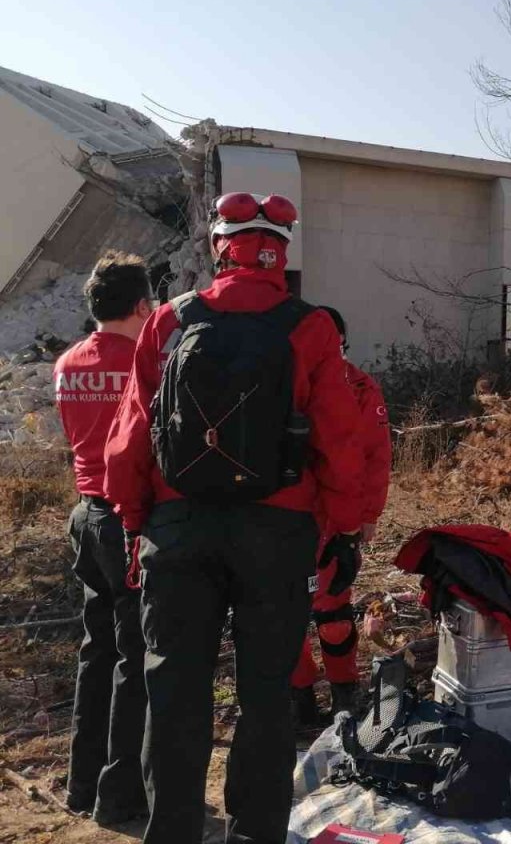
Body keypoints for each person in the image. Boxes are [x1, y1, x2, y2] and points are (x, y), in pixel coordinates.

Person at [104, 192, 365, 844]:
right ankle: (255, 834)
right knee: (268, 697)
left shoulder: (168, 321)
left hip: (178, 528)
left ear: (221, 244)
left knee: (174, 697)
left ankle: (173, 833)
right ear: (282, 247)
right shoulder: (310, 328)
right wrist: (339, 528)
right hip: (276, 535)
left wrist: (137, 522)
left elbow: (132, 435)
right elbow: (341, 443)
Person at [55, 252, 153, 825]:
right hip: (126, 522)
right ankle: (120, 798)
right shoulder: (145, 359)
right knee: (135, 659)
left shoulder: (68, 362)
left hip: (85, 514)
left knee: (96, 653)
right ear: (141, 306)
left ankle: (81, 783)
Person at [291, 305, 391, 724]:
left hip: (337, 518)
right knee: (289, 612)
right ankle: (299, 700)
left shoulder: (360, 387)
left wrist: (366, 516)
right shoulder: (284, 381)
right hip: (289, 517)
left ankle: (344, 694)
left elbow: (375, 457)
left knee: (332, 613)